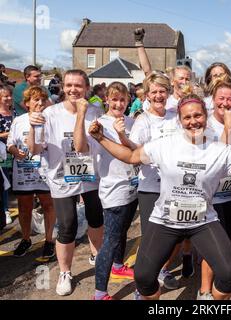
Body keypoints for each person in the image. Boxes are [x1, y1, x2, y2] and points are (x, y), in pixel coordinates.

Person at [87, 94, 231, 301]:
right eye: (187, 117)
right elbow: (131, 156)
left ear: (205, 117)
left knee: (229, 274)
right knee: (143, 277)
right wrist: (101, 138)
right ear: (180, 120)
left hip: (202, 221)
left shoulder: (218, 150)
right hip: (165, 221)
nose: (193, 121)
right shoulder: (164, 145)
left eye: (197, 115)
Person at [27, 69, 104, 296]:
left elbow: (85, 148)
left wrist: (83, 114)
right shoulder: (50, 113)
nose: (73, 90)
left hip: (90, 178)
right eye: (69, 85)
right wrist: (33, 127)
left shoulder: (97, 112)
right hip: (62, 179)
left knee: (96, 219)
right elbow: (34, 149)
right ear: (63, 87)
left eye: (78, 86)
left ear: (87, 88)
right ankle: (65, 272)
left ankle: (97, 256)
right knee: (68, 225)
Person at [74, 82, 138, 300]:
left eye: (123, 99)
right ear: (107, 100)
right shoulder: (98, 123)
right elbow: (80, 149)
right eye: (115, 99)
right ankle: (100, 293)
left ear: (128, 100)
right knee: (110, 239)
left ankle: (119, 266)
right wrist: (83, 120)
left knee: (123, 231)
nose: (119, 103)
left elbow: (137, 152)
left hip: (134, 185)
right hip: (113, 188)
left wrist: (124, 135)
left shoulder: (132, 121)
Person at [129, 71, 181, 291]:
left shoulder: (175, 115)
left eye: (162, 91)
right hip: (150, 186)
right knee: (151, 236)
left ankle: (161, 269)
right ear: (147, 95)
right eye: (154, 92)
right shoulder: (142, 120)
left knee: (174, 234)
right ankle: (143, 286)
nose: (159, 95)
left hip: (175, 186)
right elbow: (132, 151)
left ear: (168, 92)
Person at [197, 80, 231, 300]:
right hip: (211, 199)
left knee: (229, 242)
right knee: (211, 247)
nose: (225, 103)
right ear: (213, 100)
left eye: (230, 99)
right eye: (221, 98)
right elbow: (217, 160)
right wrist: (228, 127)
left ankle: (223, 288)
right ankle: (205, 290)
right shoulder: (204, 126)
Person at [7, 86, 56, 258]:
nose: (40, 103)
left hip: (45, 170)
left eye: (43, 99)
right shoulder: (18, 121)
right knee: (24, 207)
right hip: (24, 171)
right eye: (36, 99)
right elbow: (10, 143)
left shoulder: (51, 119)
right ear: (27, 103)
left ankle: (49, 240)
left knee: (48, 205)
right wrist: (14, 151)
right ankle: (26, 239)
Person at [0, 84, 13, 224]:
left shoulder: (14, 112)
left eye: (10, 95)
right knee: (4, 182)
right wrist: (11, 133)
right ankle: (5, 209)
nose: (9, 98)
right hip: (3, 153)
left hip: (15, 150)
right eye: (5, 96)